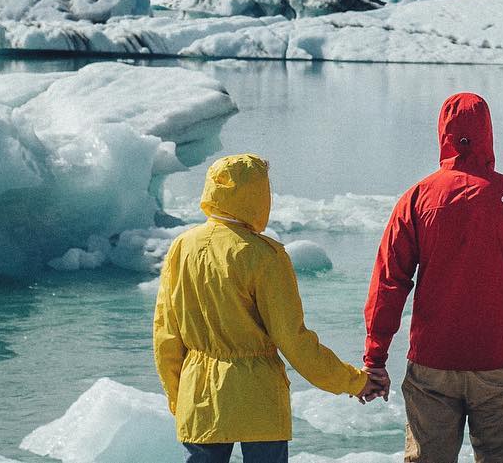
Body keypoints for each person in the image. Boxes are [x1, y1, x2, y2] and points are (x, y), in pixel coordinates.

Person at [363, 92, 503, 463]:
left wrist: (376, 358)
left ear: (444, 133)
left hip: (432, 363)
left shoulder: (417, 197)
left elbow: (389, 283)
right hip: (499, 362)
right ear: (488, 132)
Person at [154, 152, 387, 463]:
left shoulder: (181, 248)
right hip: (259, 399)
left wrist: (179, 398)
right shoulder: (265, 255)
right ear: (257, 194)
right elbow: (293, 340)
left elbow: (166, 337)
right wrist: (354, 381)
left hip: (200, 397)